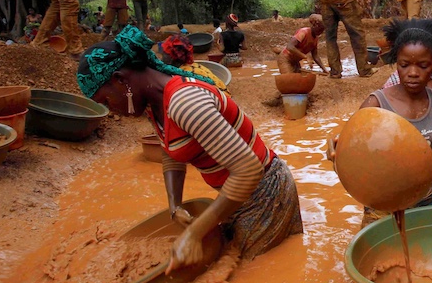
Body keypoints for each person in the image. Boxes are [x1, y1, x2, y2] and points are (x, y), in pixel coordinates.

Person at [76, 25, 303, 269]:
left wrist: (195, 232)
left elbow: (248, 170)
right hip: (239, 197)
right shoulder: (156, 104)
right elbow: (170, 150)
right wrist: (175, 206)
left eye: (106, 101)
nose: (112, 110)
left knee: (253, 273)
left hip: (266, 194)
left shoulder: (185, 102)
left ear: (120, 80)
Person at [348, 18, 432, 227]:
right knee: (381, 259)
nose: (412, 73)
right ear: (396, 64)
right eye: (404, 65)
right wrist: (337, 154)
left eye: (423, 65)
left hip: (428, 201)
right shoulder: (376, 105)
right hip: (383, 208)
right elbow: (353, 159)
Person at [159, 34, 229, 94]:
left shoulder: (183, 77)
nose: (161, 57)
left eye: (164, 54)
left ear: (172, 57)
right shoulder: (194, 66)